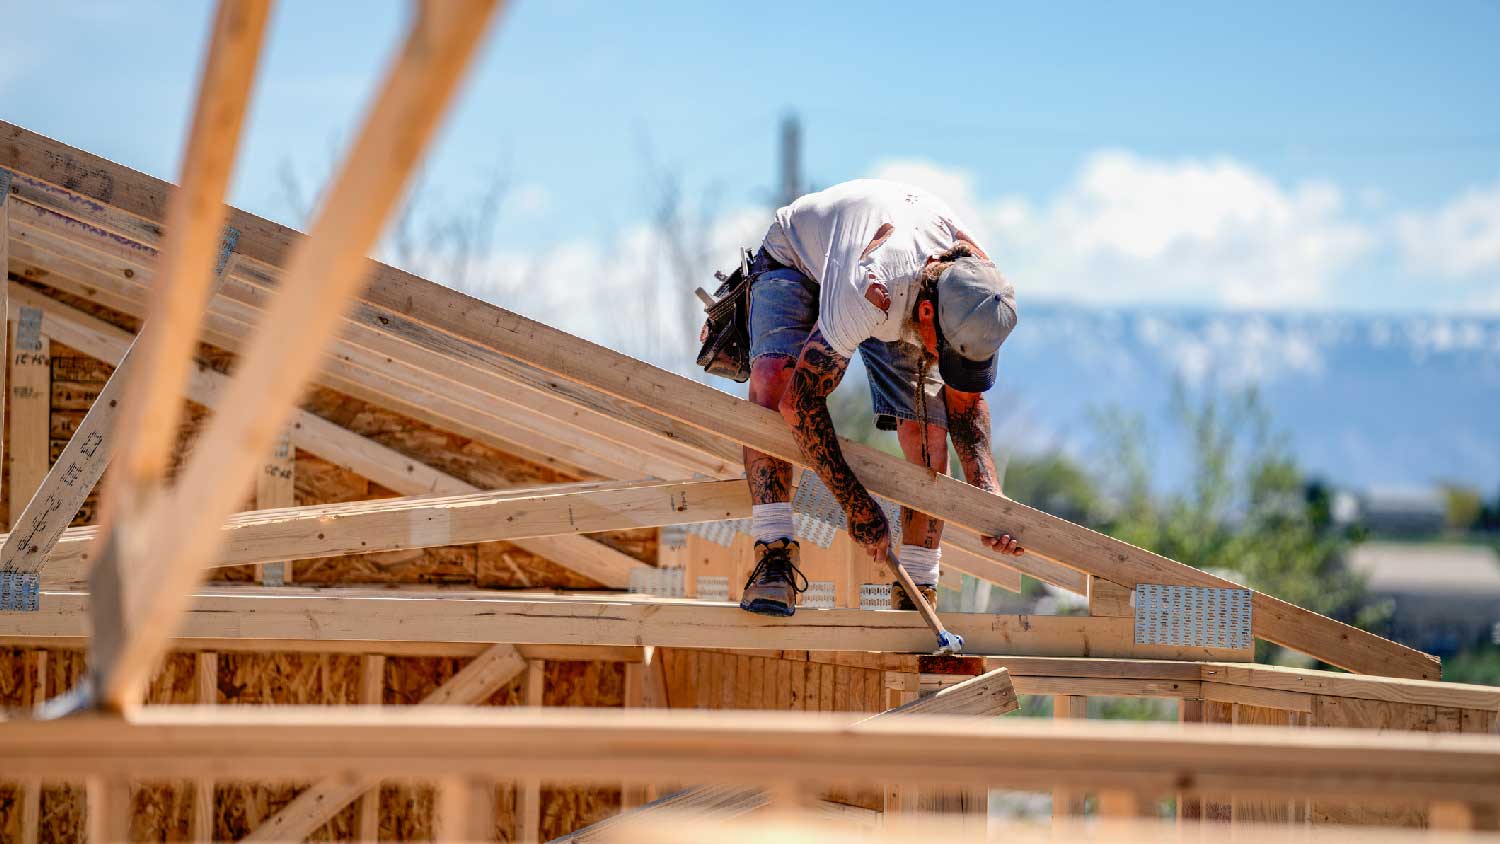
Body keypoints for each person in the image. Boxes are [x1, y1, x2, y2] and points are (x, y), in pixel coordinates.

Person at [737, 179, 1023, 617]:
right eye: (940, 347)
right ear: (927, 313)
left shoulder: (977, 291)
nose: (938, 358)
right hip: (799, 255)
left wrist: (990, 502)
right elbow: (802, 403)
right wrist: (858, 506)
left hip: (896, 279)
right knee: (775, 380)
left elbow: (963, 408)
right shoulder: (869, 291)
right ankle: (774, 553)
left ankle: (917, 584)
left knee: (929, 428)